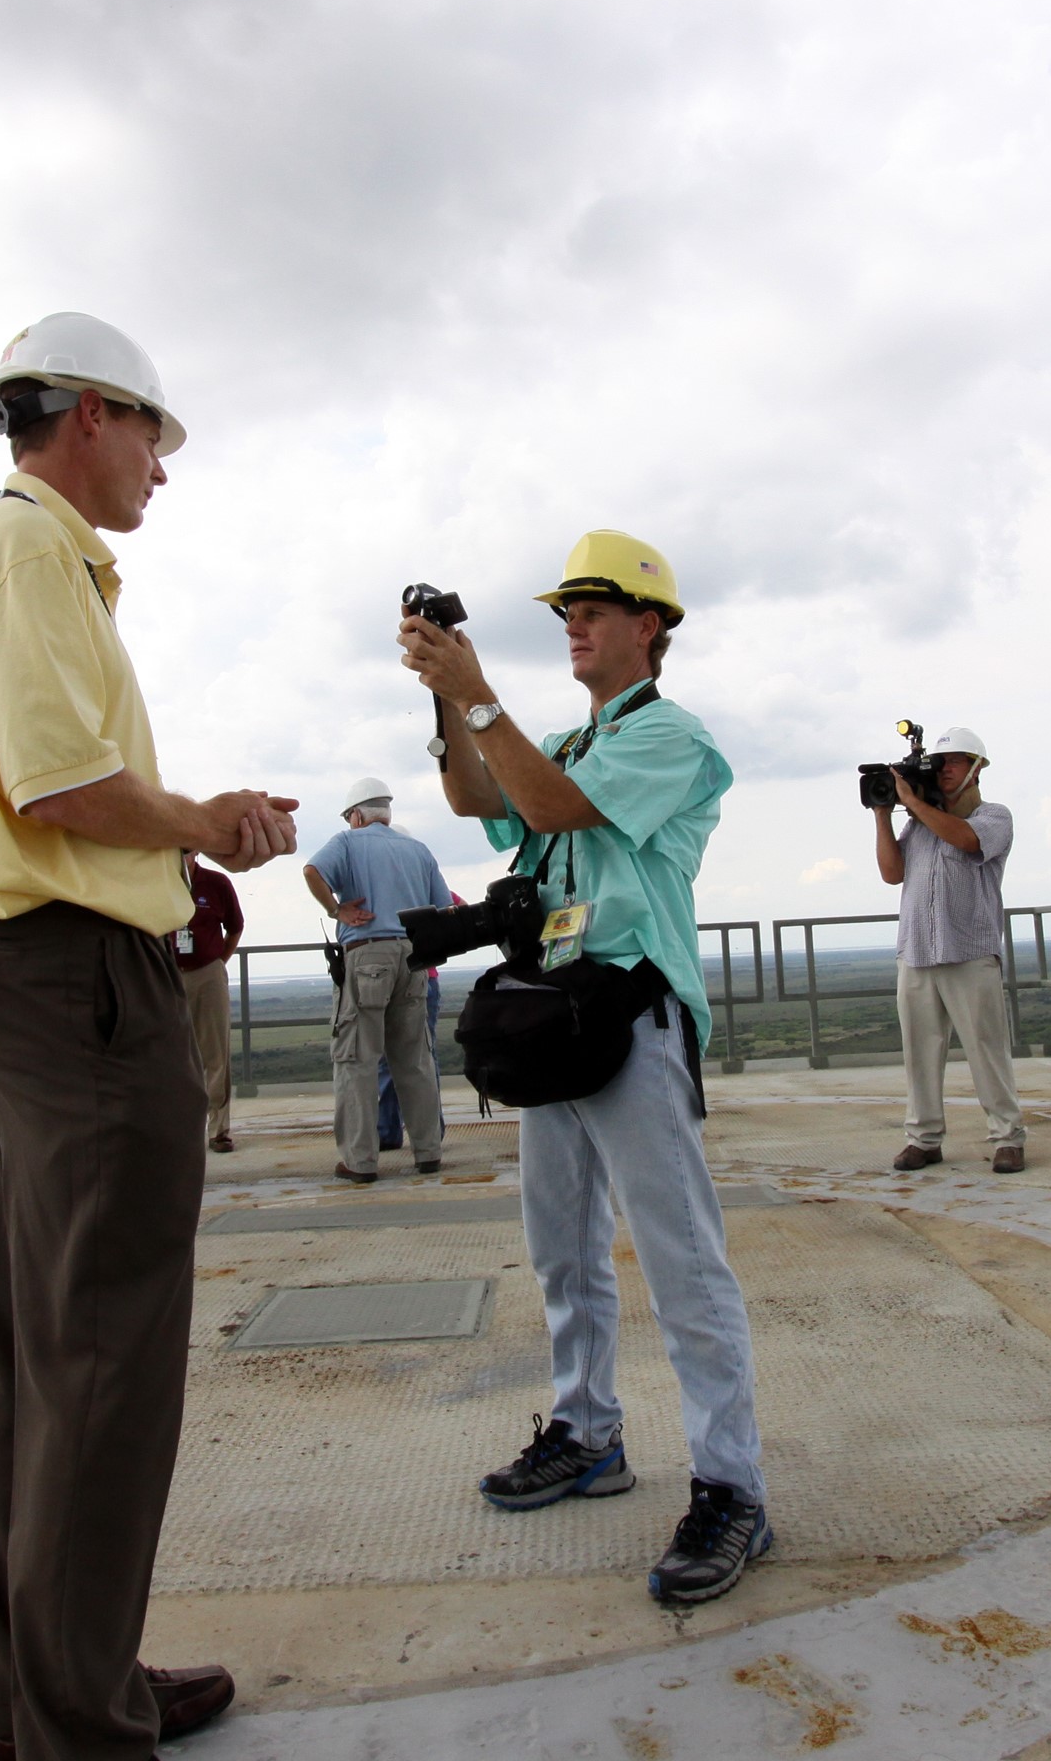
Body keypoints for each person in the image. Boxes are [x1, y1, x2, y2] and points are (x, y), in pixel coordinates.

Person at [0, 311, 298, 1760]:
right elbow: (61, 785)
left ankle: (65, 1692)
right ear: (87, 416)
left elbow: (56, 795)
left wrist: (176, 851)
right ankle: (79, 1723)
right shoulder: (24, 552)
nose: (160, 466)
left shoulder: (10, 555)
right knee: (103, 1356)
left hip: (39, 970)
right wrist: (203, 824)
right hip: (76, 985)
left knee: (46, 1357)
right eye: (152, 433)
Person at [401, 530, 773, 1607]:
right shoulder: (566, 735)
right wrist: (446, 689)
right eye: (567, 607)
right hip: (559, 1012)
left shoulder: (673, 739)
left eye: (595, 608)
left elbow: (558, 810)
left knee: (681, 1256)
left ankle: (732, 1483)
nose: (574, 622)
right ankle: (586, 1429)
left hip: (631, 1011)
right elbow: (485, 800)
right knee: (561, 1244)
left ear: (649, 627)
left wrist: (477, 695)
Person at [871, 726, 1029, 1174]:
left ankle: (1007, 1137)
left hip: (969, 951)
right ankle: (923, 1139)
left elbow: (966, 840)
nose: (944, 770)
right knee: (919, 1052)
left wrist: (916, 804)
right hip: (917, 952)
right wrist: (884, 816)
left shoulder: (994, 816)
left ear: (978, 770)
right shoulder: (917, 824)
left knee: (986, 1048)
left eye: (956, 761)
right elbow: (891, 873)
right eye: (940, 763)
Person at [304, 777, 453, 1180]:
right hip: (413, 957)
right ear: (387, 813)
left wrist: (337, 910)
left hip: (367, 954)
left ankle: (360, 1161)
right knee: (415, 1059)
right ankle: (428, 1153)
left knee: (357, 1060)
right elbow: (442, 908)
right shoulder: (417, 849)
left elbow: (312, 869)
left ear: (355, 815)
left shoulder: (348, 842)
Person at [176, 850, 247, 1152]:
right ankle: (178, 1128)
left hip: (207, 972)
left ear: (197, 849)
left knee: (215, 1052)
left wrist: (219, 962)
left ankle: (219, 1130)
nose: (182, 854)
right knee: (171, 1053)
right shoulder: (157, 882)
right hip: (166, 974)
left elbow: (235, 926)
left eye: (187, 847)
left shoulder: (216, 883)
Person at [376, 914, 450, 1154]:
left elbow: (456, 909)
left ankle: (391, 1132)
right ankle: (428, 1134)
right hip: (420, 974)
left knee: (401, 1057)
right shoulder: (419, 880)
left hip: (401, 975)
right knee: (421, 1056)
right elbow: (455, 907)